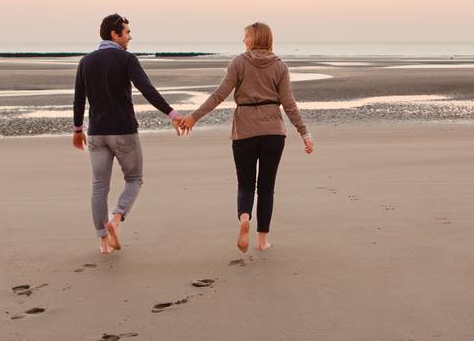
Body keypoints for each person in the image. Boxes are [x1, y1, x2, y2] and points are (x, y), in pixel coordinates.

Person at [179, 22, 312, 253]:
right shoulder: (280, 66)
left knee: (245, 183)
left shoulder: (239, 62)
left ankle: (244, 218)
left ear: (254, 38)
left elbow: (219, 95)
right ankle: (262, 241)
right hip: (273, 132)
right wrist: (304, 132)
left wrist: (194, 117)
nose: (244, 41)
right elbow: (289, 104)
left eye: (246, 37)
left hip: (244, 131)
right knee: (267, 188)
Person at [71, 13, 185, 254]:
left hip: (97, 133)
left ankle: (103, 242)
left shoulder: (86, 61)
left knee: (99, 186)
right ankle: (116, 219)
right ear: (115, 33)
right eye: (127, 32)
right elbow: (147, 90)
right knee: (134, 179)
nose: (130, 37)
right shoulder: (126, 59)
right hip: (124, 131)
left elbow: (79, 98)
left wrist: (77, 129)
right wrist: (172, 114)